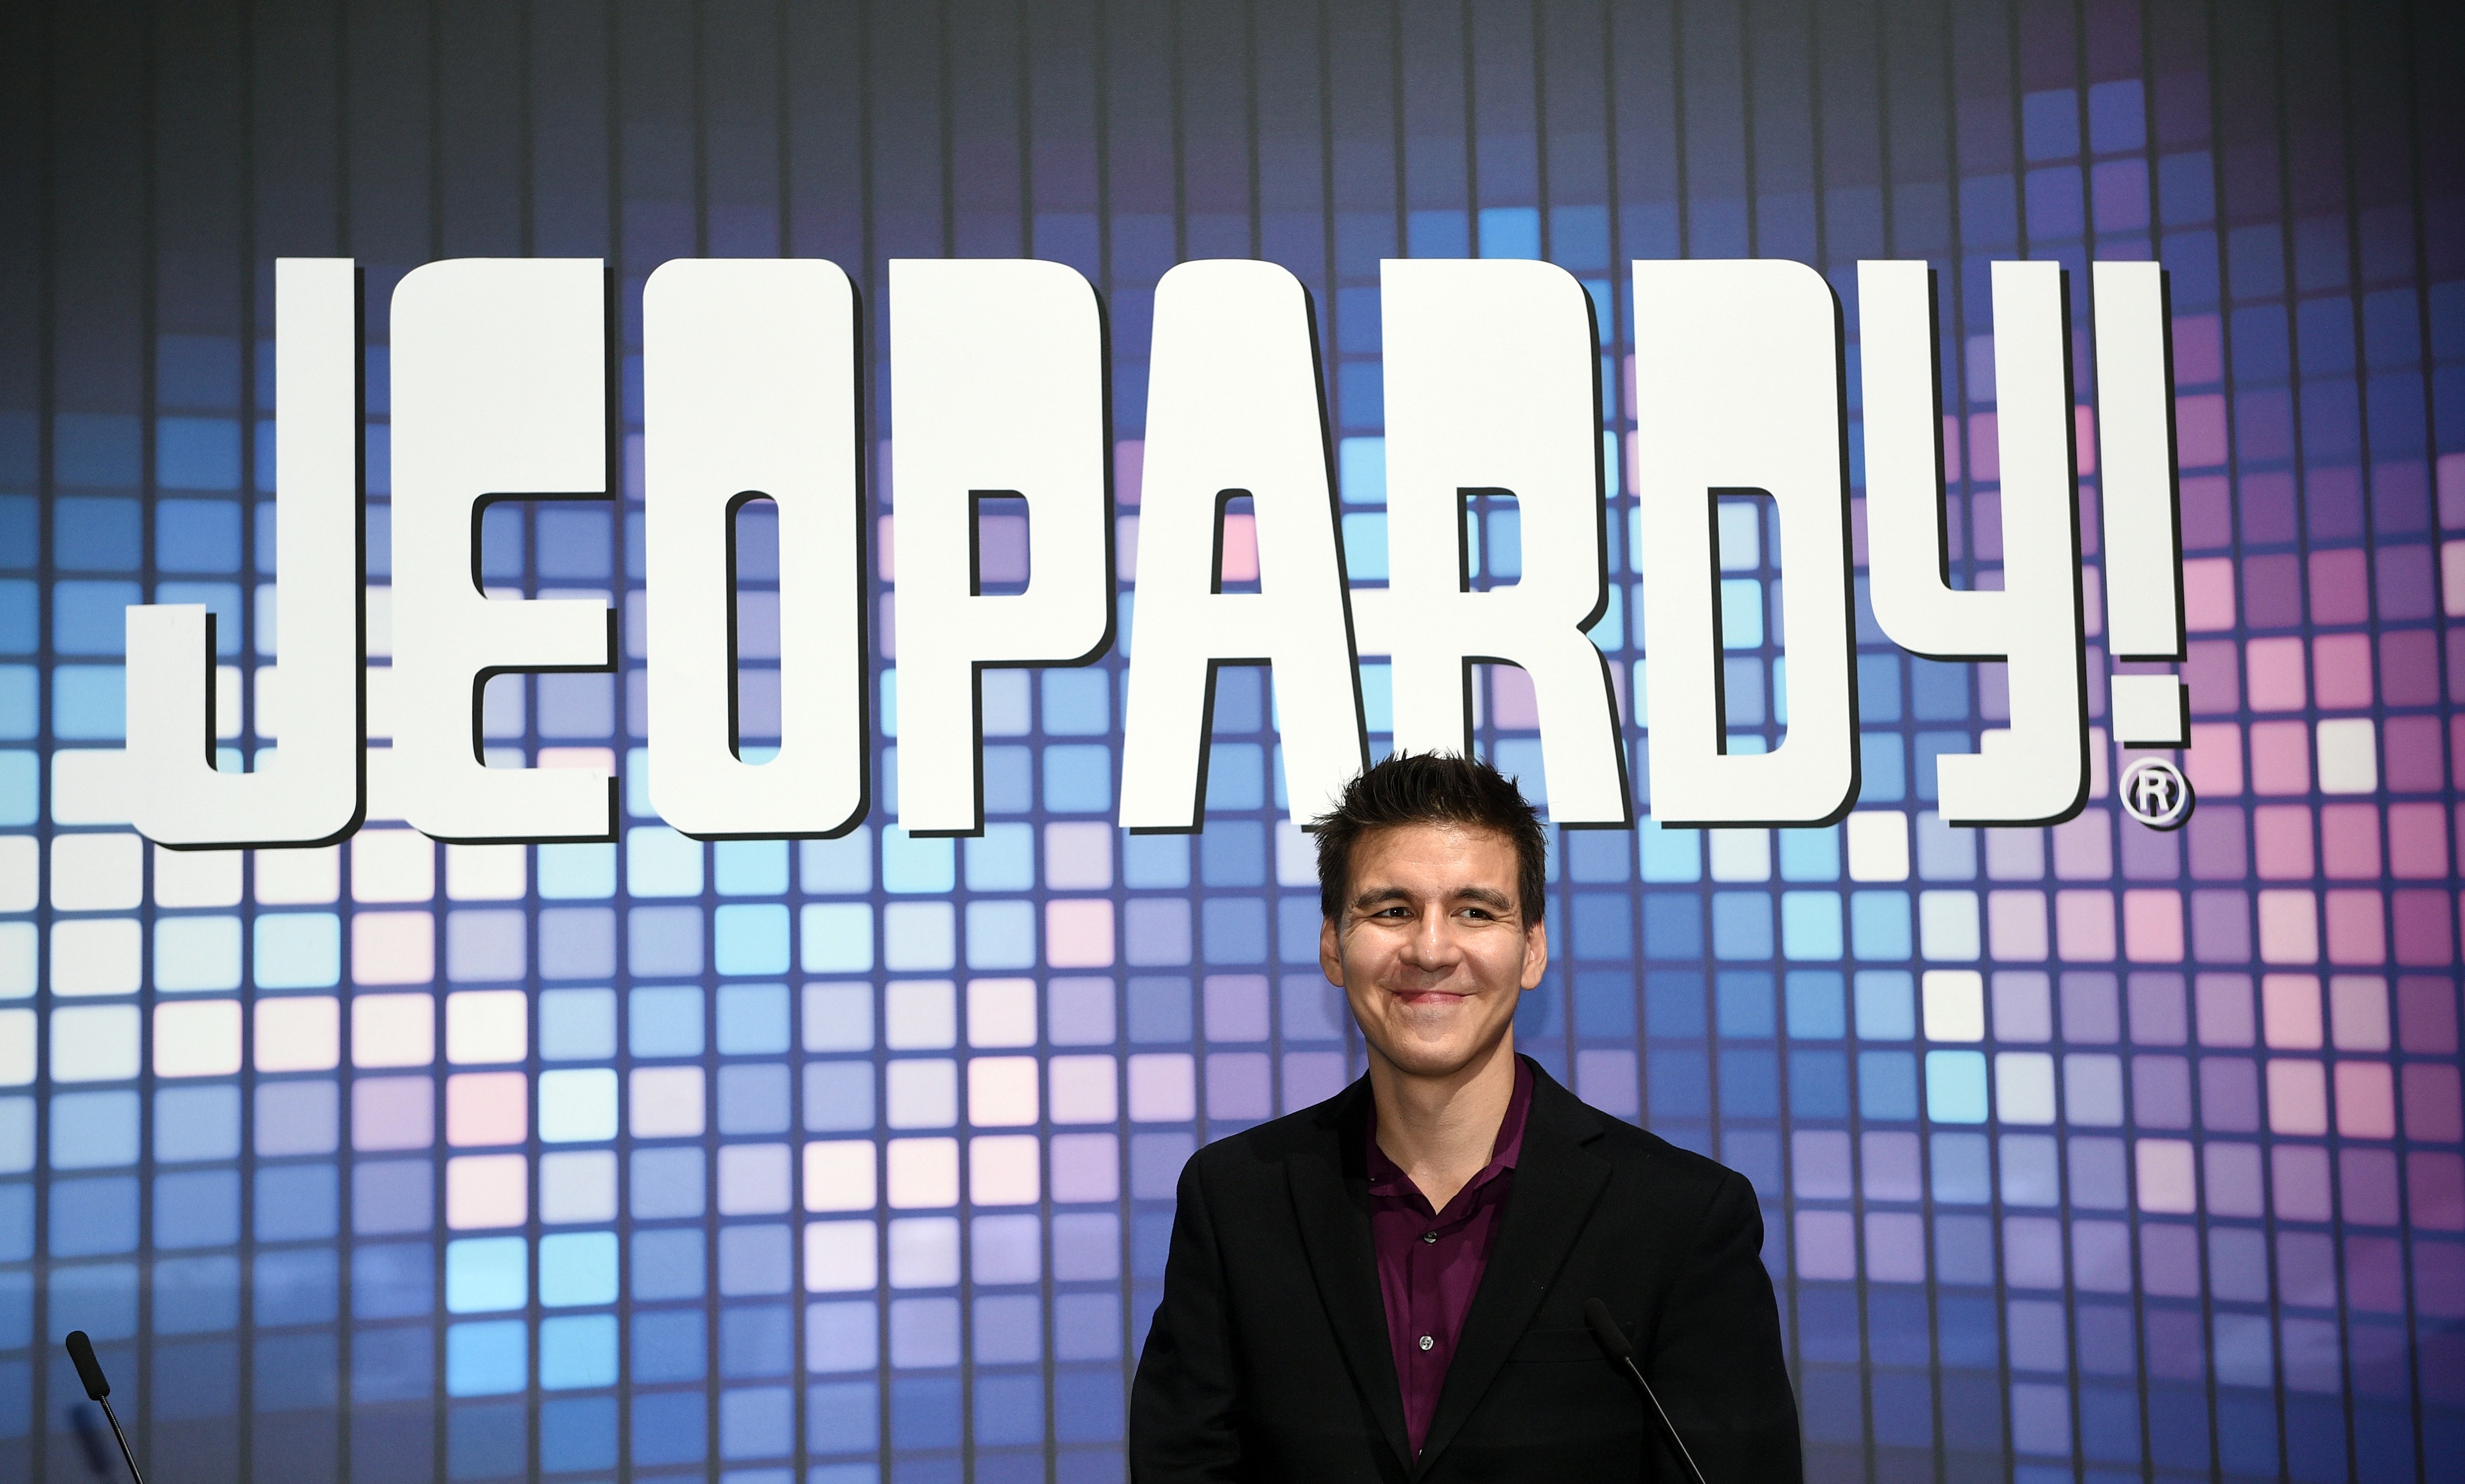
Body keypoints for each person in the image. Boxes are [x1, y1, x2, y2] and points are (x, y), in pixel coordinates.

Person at [1128, 752, 1802, 1482]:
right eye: (1391, 910)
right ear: (1332, 945)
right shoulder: (1236, 1201)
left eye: (1475, 912)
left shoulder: (1680, 1218)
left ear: (1532, 949)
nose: (1430, 948)